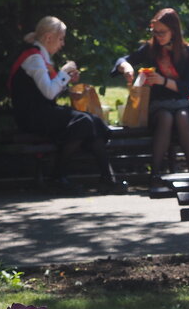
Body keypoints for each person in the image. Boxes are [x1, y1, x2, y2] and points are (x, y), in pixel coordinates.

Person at [9, 16, 127, 195]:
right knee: (83, 122)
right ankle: (57, 176)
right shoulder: (33, 58)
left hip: (43, 112)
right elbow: (49, 92)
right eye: (61, 38)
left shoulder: (41, 56)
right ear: (49, 37)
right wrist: (63, 74)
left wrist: (66, 79)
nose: (62, 44)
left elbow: (50, 90)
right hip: (31, 116)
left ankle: (108, 178)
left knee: (92, 120)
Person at [115, 8, 189, 187]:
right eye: (155, 32)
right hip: (158, 105)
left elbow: (186, 88)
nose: (158, 36)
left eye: (162, 32)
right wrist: (126, 67)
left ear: (174, 31)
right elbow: (122, 60)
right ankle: (155, 175)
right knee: (166, 117)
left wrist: (162, 80)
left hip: (181, 102)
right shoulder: (150, 48)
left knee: (183, 117)